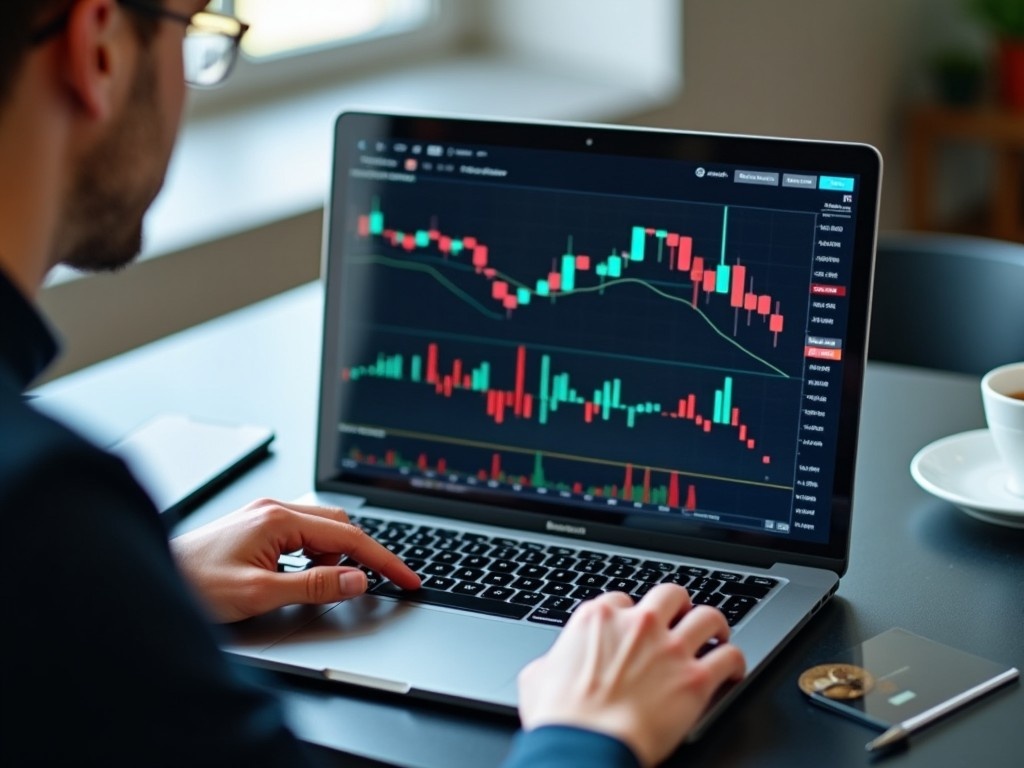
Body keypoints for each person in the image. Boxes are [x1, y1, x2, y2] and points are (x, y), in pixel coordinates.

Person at [0, 2, 746, 766]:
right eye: (189, 32)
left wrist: (141, 590)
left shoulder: (51, 538)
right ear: (98, 49)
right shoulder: (45, 511)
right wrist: (586, 736)